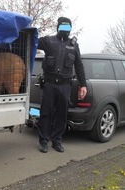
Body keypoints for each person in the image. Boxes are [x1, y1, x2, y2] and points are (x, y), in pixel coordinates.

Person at [37, 17, 87, 153]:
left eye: (67, 27)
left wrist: (83, 85)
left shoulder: (74, 45)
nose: (65, 30)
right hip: (49, 84)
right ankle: (43, 141)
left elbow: (79, 66)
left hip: (65, 86)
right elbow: (32, 40)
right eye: (63, 27)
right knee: (46, 113)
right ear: (58, 27)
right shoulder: (48, 41)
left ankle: (57, 141)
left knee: (61, 114)